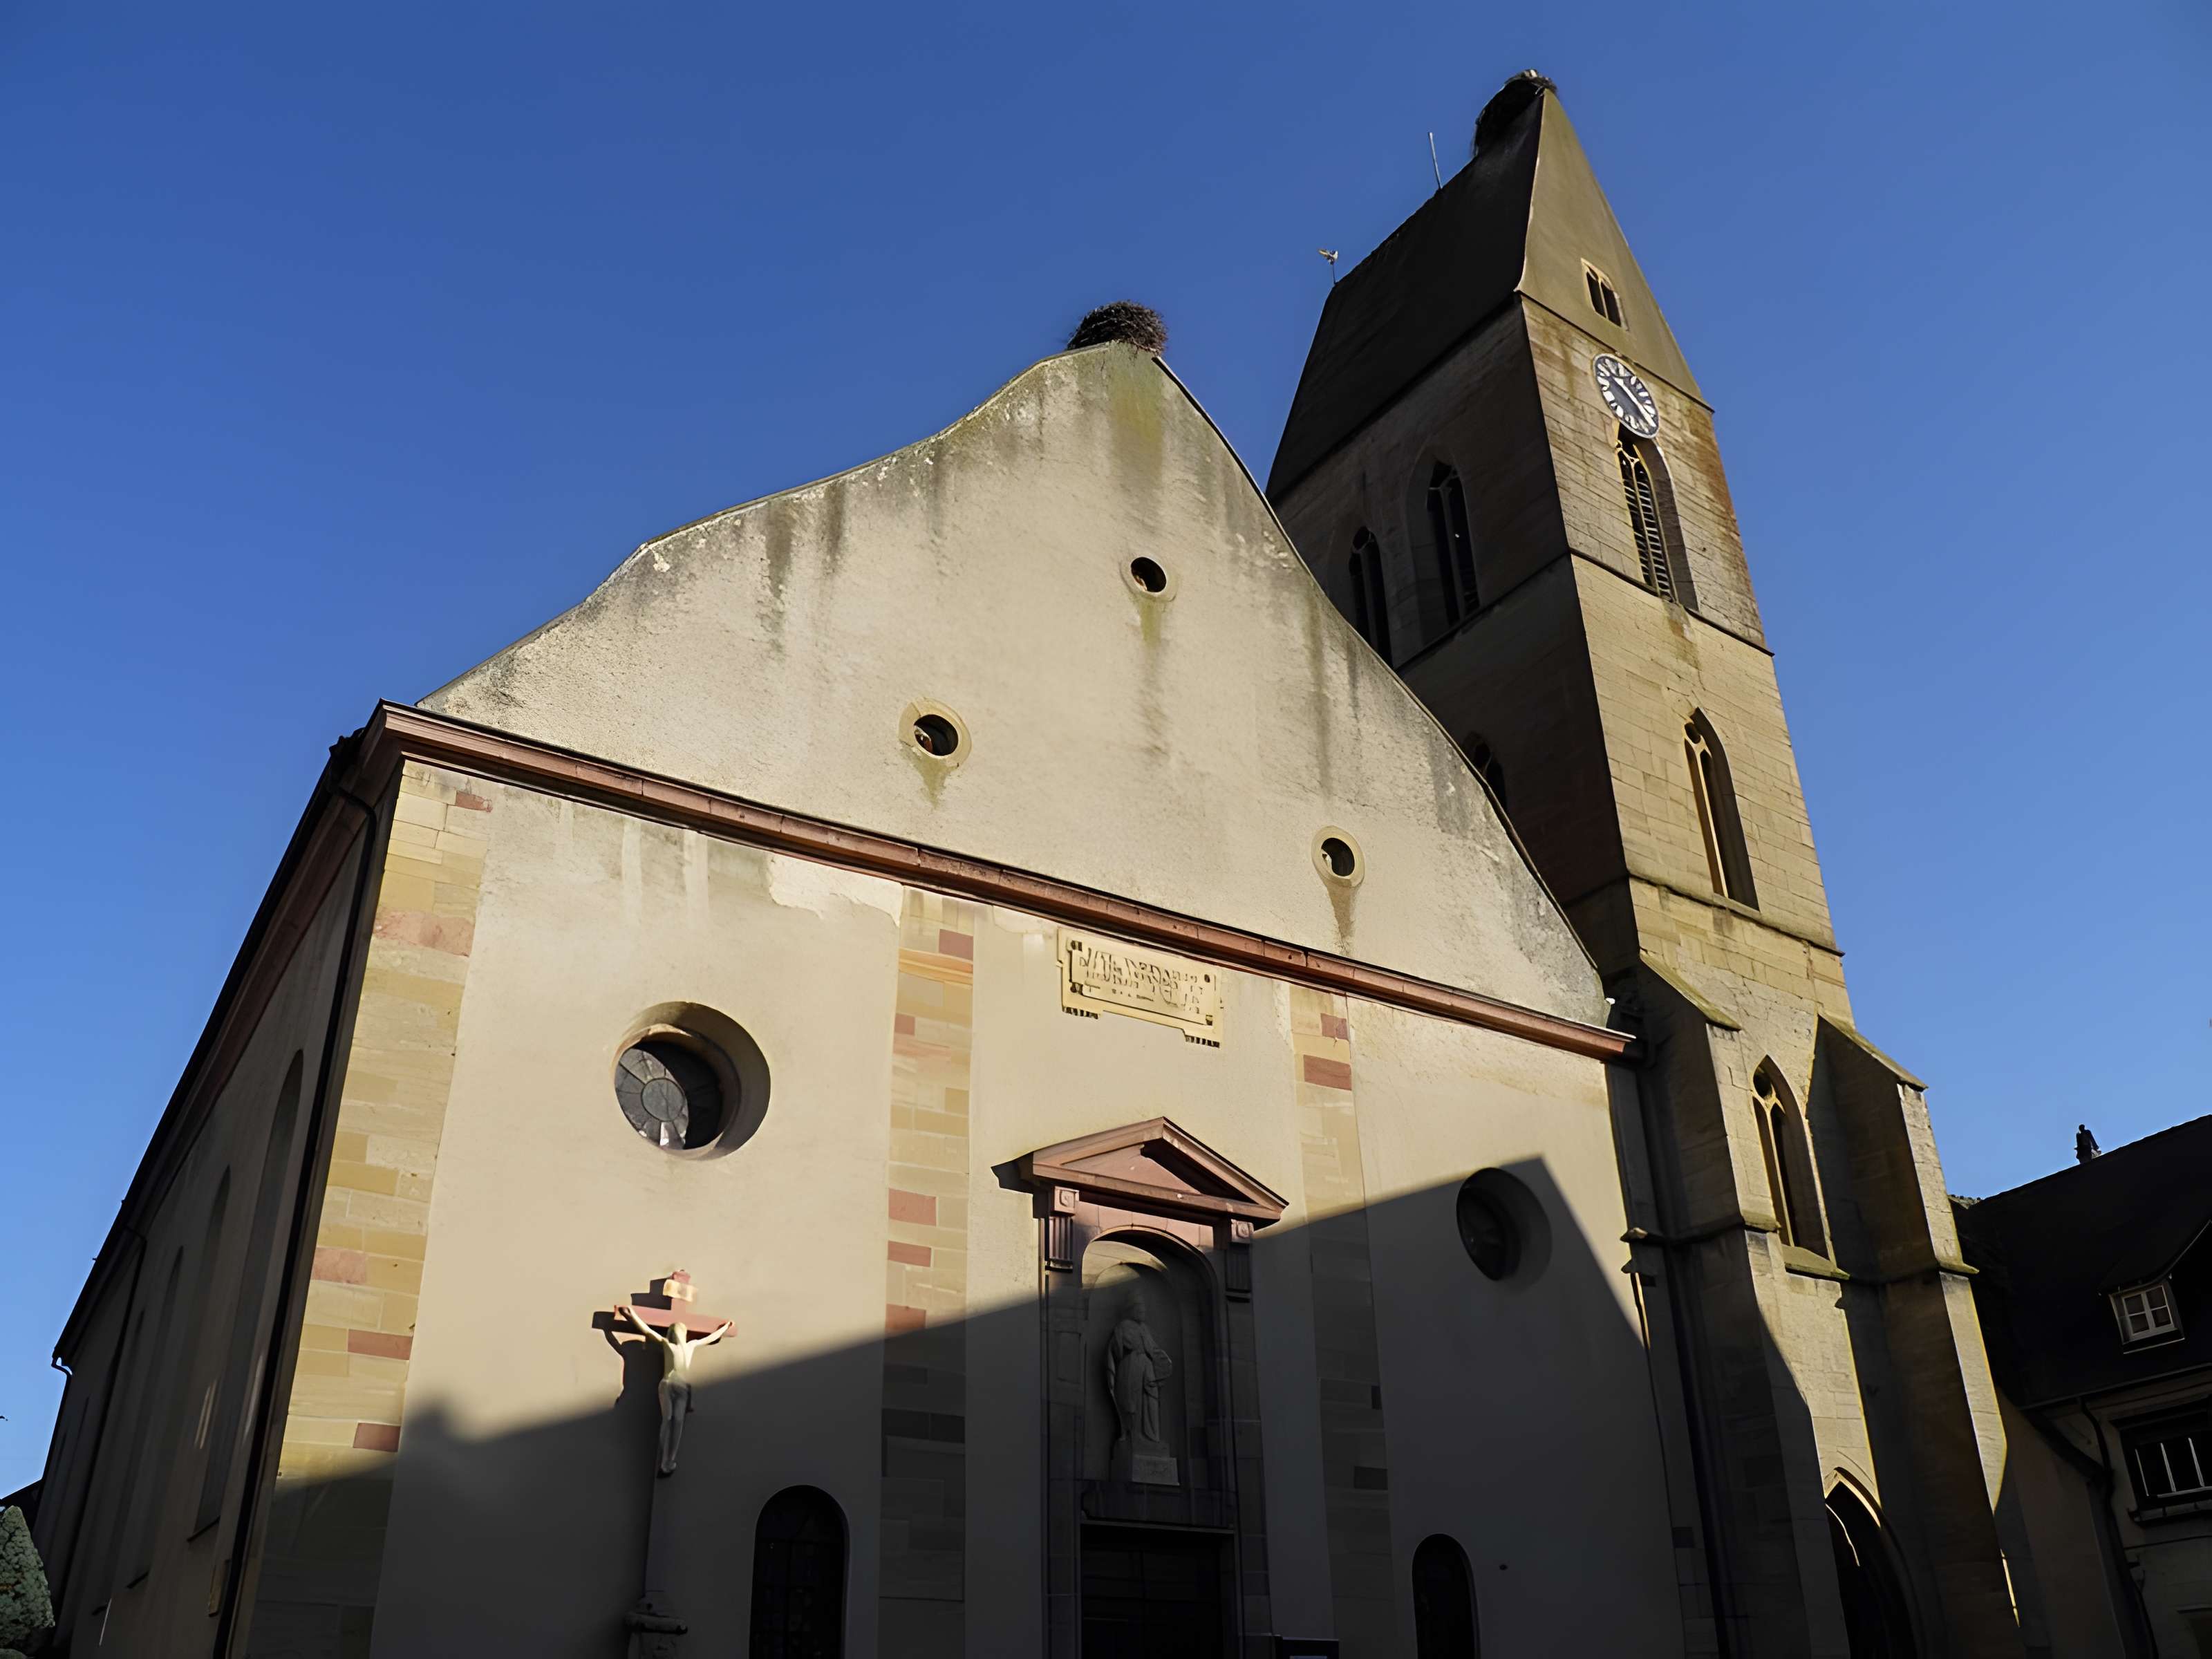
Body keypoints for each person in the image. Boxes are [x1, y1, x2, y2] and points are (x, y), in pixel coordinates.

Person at [621, 1304, 731, 1475]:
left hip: (682, 1388)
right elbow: (647, 1331)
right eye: (678, 1330)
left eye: (682, 1330)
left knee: (678, 1421)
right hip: (668, 1383)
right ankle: (664, 1459)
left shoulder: (691, 1345)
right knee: (669, 1418)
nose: (681, 1333)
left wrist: (724, 1328)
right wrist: (631, 1315)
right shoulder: (667, 1344)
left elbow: (710, 1338)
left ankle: (670, 1460)